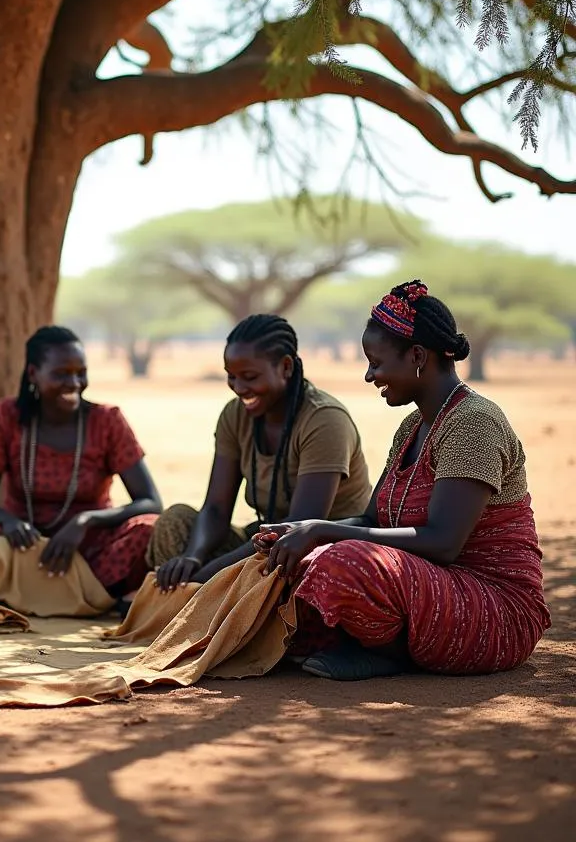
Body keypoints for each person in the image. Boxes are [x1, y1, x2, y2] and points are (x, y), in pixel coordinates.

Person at [255, 280, 551, 680]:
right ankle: (368, 642)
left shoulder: (473, 423)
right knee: (291, 559)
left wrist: (324, 532)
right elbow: (372, 521)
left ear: (416, 356)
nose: (368, 375)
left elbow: (444, 543)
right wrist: (300, 532)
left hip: (492, 610)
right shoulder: (414, 426)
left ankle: (391, 653)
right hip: (432, 591)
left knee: (343, 560)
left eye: (376, 362)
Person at [0, 326, 163, 605]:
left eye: (81, 372)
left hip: (88, 550)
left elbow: (150, 501)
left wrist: (86, 520)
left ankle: (98, 599)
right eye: (61, 374)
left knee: (149, 528)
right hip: (20, 545)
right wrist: (10, 522)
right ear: (33, 374)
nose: (74, 382)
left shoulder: (107, 421)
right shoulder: (9, 417)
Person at [151, 314, 372, 592]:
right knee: (176, 521)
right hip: (262, 541)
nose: (239, 388)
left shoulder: (325, 420)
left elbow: (297, 527)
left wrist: (205, 577)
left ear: (286, 367)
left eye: (250, 377)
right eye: (231, 376)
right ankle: (197, 602)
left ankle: (199, 603)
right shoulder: (236, 414)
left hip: (316, 548)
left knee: (279, 561)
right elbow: (217, 508)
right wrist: (193, 557)